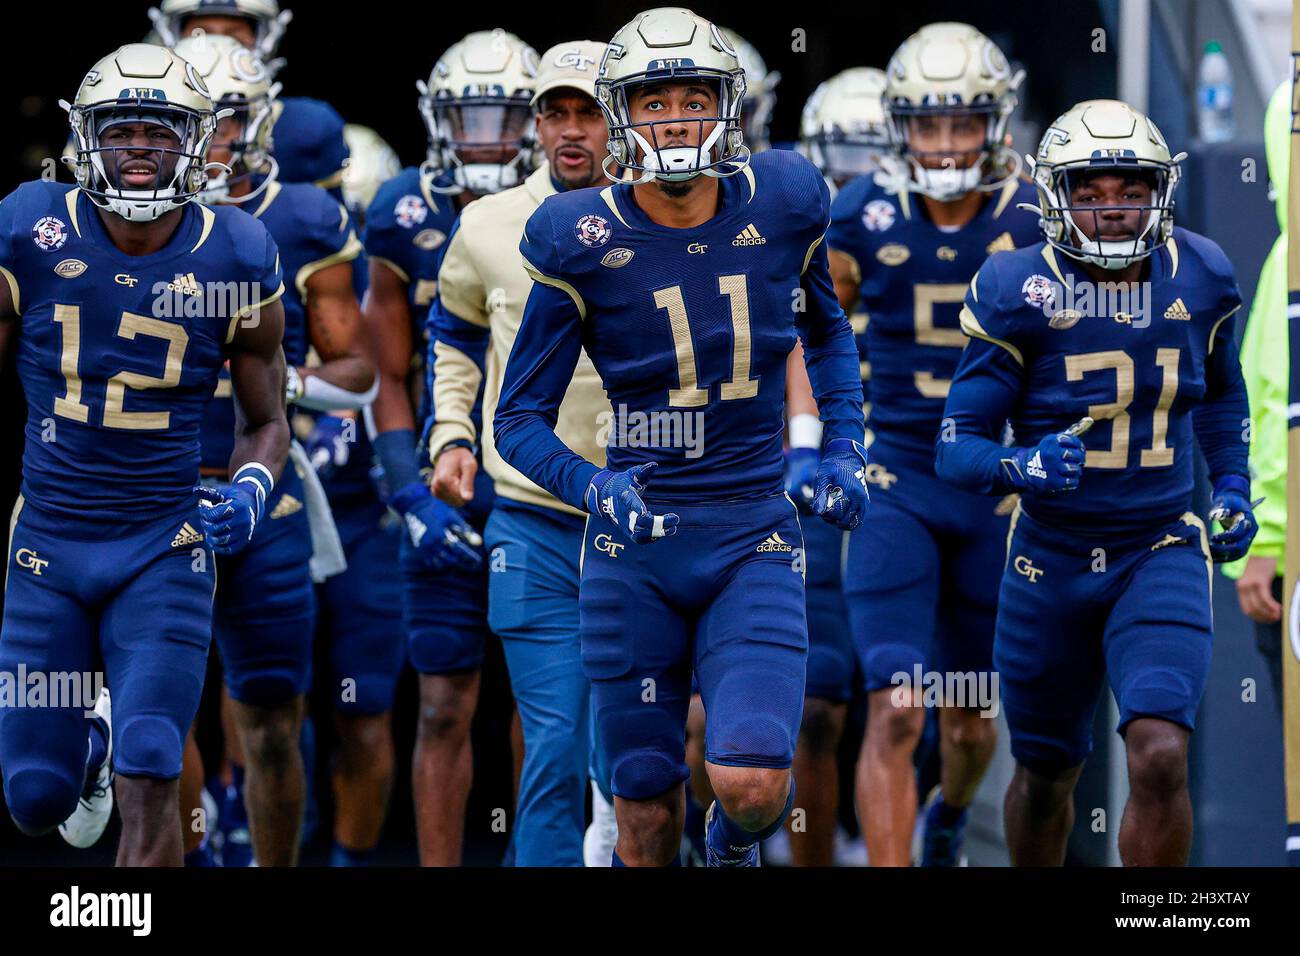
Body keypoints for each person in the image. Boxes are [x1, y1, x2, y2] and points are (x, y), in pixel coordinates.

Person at [493, 6, 869, 867]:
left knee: (752, 786)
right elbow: (515, 419)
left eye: (691, 98)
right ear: (624, 113)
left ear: (726, 106)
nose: (673, 118)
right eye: (653, 101)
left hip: (752, 530)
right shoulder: (578, 235)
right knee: (645, 811)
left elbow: (827, 329)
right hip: (636, 544)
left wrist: (843, 443)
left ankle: (732, 847)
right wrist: (592, 487)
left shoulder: (782, 199)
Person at [935, 99, 1257, 866]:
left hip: (1159, 547)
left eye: (1130, 188)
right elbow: (956, 448)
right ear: (1056, 194)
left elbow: (1220, 395)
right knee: (1047, 773)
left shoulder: (1202, 272)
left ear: (1161, 191)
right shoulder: (1019, 286)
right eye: (1090, 189)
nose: (1112, 208)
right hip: (1049, 559)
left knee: (1160, 752)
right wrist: (1025, 465)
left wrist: (1236, 487)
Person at [0, 43, 289, 865]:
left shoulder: (235, 249)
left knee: (155, 765)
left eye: (158, 130)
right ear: (84, 139)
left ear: (196, 141)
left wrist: (253, 490)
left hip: (167, 541)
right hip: (48, 542)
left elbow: (267, 418)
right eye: (119, 129)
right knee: (33, 797)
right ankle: (84, 748)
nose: (136, 146)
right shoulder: (29, 225)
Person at [824, 23, 1039, 867]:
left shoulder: (1035, 212)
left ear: (997, 123)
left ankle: (948, 814)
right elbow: (812, 333)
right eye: (929, 124)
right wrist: (821, 438)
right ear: (898, 125)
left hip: (995, 490)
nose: (946, 145)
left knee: (973, 720)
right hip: (897, 480)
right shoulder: (858, 212)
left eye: (963, 123)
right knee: (897, 705)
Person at [176, 33, 375, 867]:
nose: (212, 139)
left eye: (226, 119)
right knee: (160, 717)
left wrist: (276, 389)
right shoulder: (108, 220)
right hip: (151, 490)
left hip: (265, 492)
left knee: (269, 718)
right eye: (195, 119)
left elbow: (360, 374)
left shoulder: (299, 217)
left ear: (260, 122)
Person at [428, 40, 613, 867]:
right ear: (534, 123)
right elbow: (456, 334)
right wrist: (452, 433)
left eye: (591, 113)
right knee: (556, 744)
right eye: (556, 112)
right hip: (533, 520)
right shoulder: (487, 222)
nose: (572, 131)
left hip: (654, 522)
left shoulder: (680, 219)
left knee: (643, 755)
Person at [361, 30, 538, 866]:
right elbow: (387, 372)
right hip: (449, 475)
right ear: (439, 120)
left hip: (541, 478)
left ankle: (535, 853)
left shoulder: (572, 206)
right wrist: (408, 491)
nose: (487, 137)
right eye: (470, 117)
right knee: (441, 701)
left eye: (506, 117)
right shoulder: (400, 210)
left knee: (545, 701)